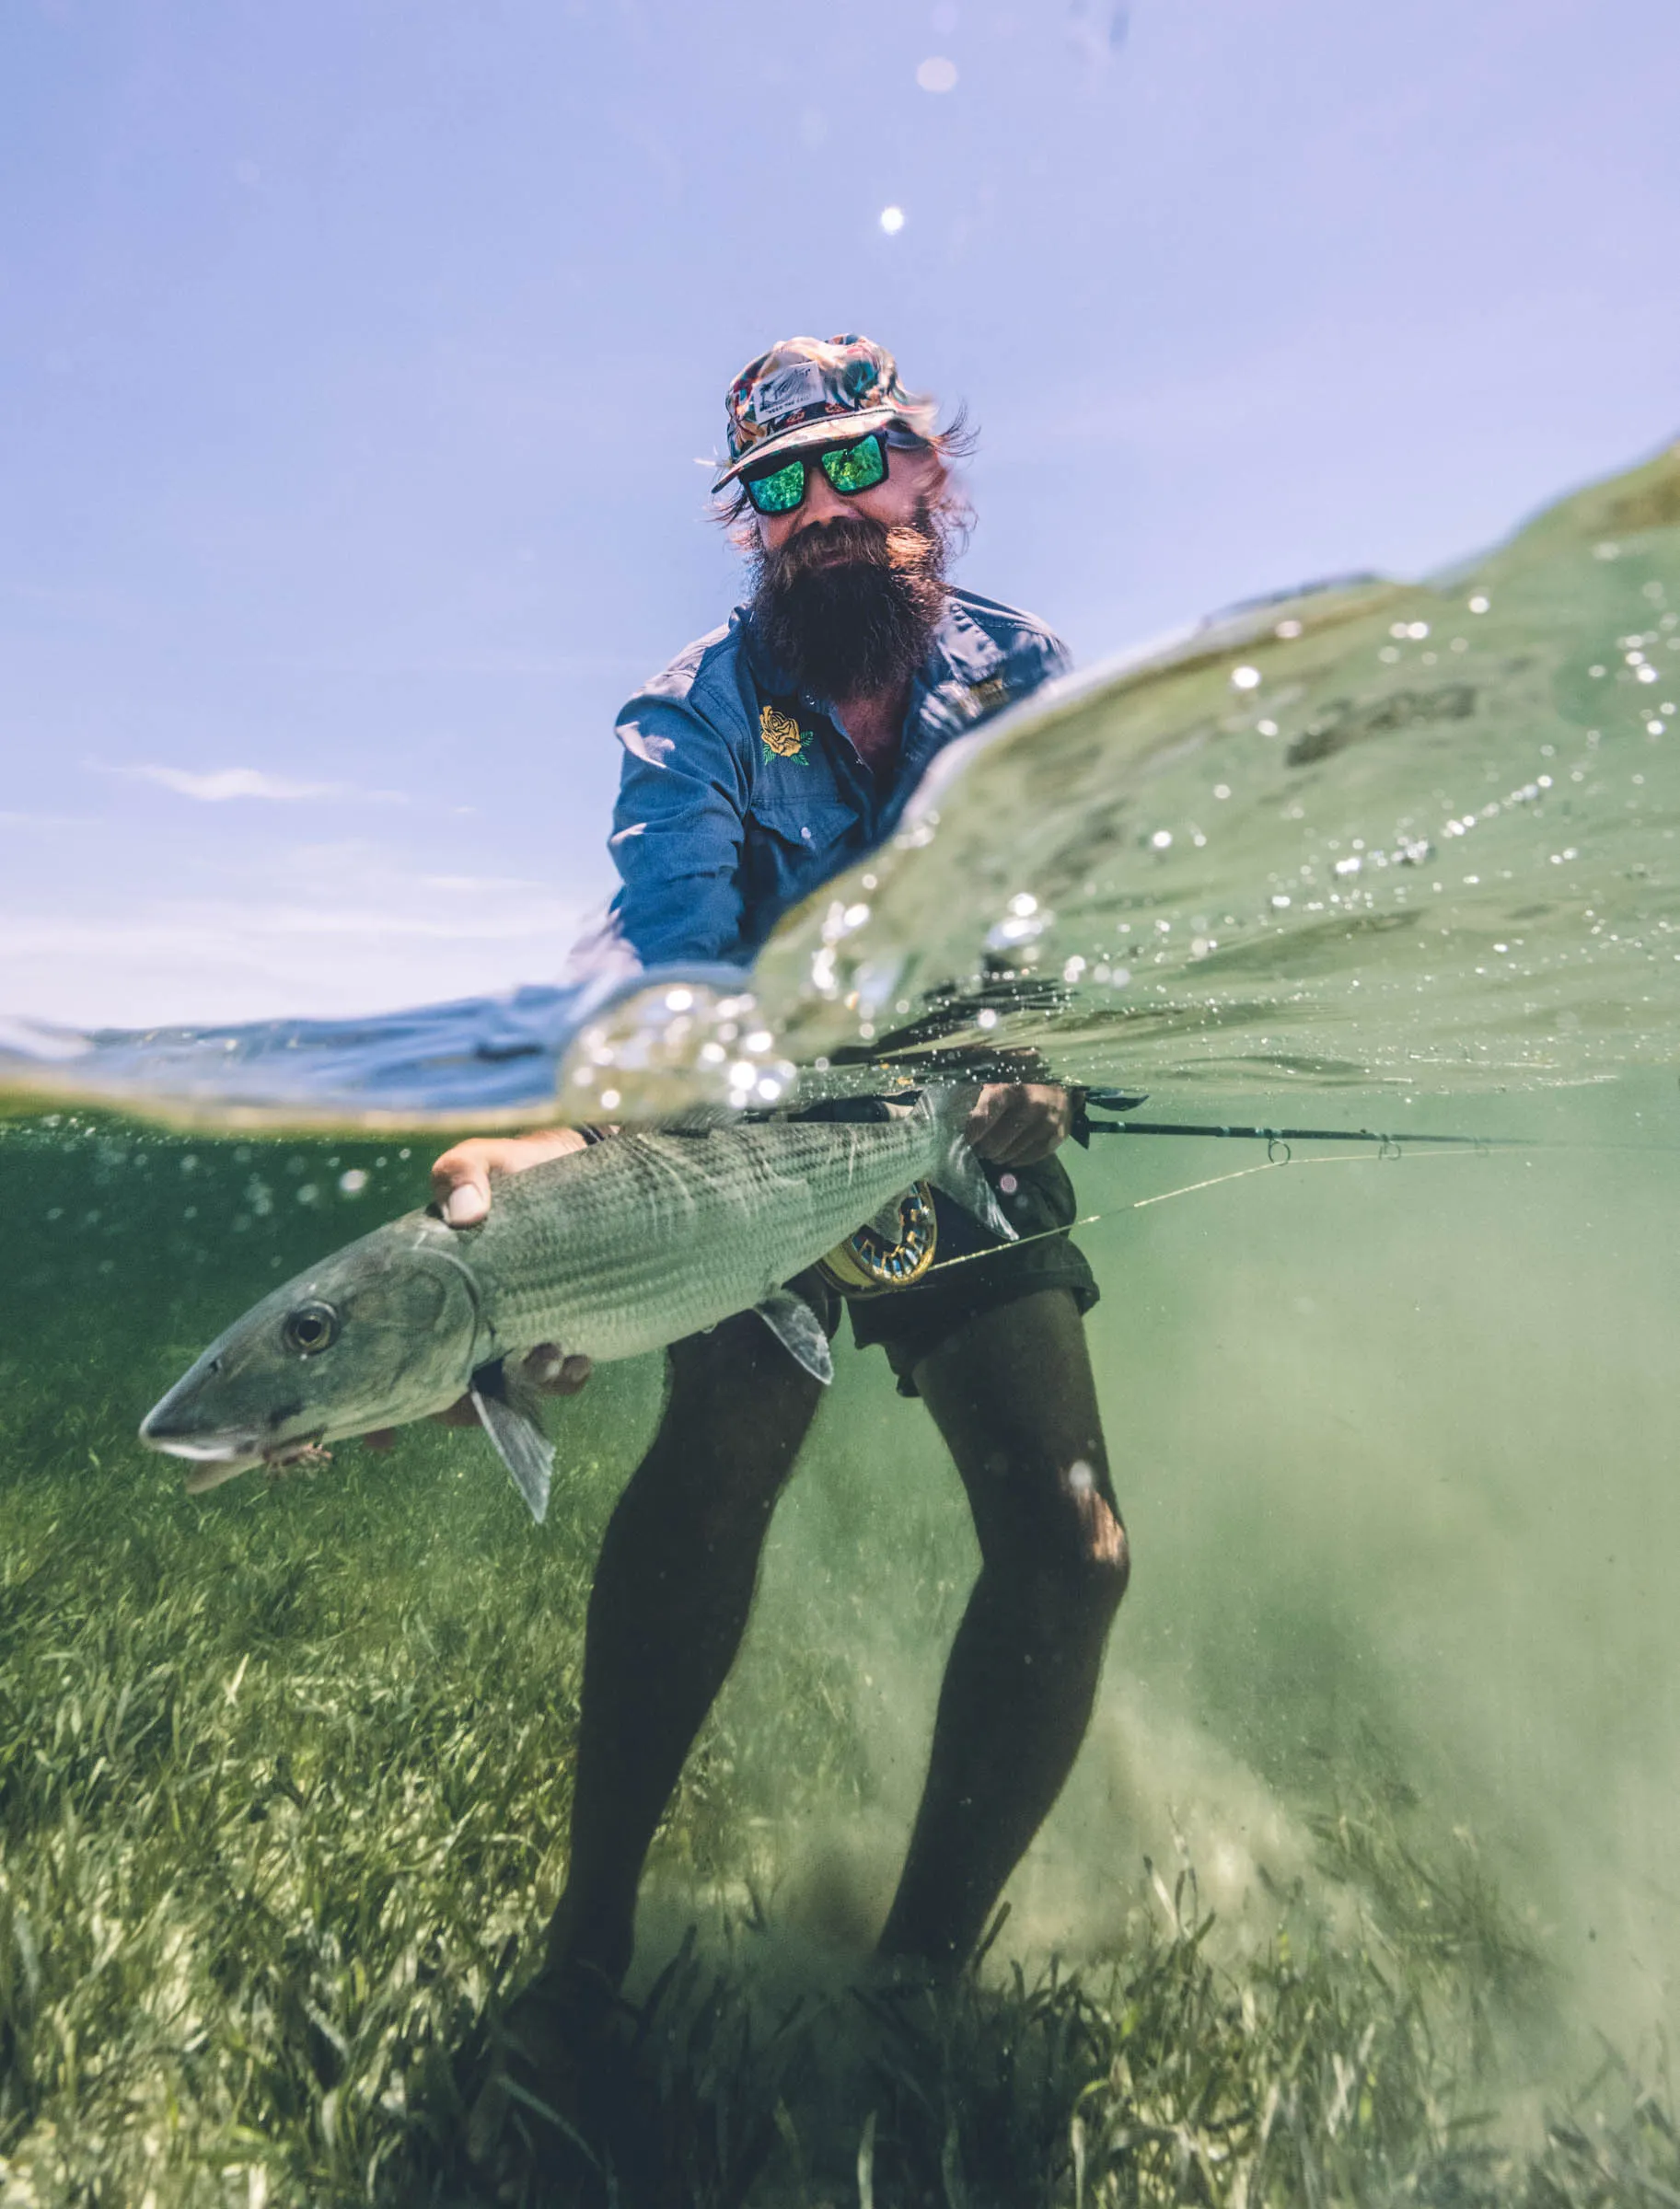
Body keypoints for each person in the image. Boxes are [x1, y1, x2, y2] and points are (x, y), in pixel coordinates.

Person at [429, 335, 1130, 2078]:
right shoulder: (686, 715)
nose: (825, 513)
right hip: (759, 1125)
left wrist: (1036, 1060)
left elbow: (1066, 903)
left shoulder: (1027, 668)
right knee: (719, 1460)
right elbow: (675, 995)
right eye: (779, 487)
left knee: (1073, 1547)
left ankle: (917, 1987)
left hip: (954, 1114)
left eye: (856, 469)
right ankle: (588, 1949)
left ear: (924, 478)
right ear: (746, 524)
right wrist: (578, 1190)